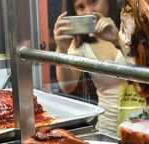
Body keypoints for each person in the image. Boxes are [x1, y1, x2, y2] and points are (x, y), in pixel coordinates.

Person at [53, 0, 128, 136]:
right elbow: (67, 86)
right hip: (108, 128)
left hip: (144, 121)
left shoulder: (129, 28)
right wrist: (61, 49)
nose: (89, 11)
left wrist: (118, 40)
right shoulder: (81, 45)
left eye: (93, 1)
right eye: (81, 7)